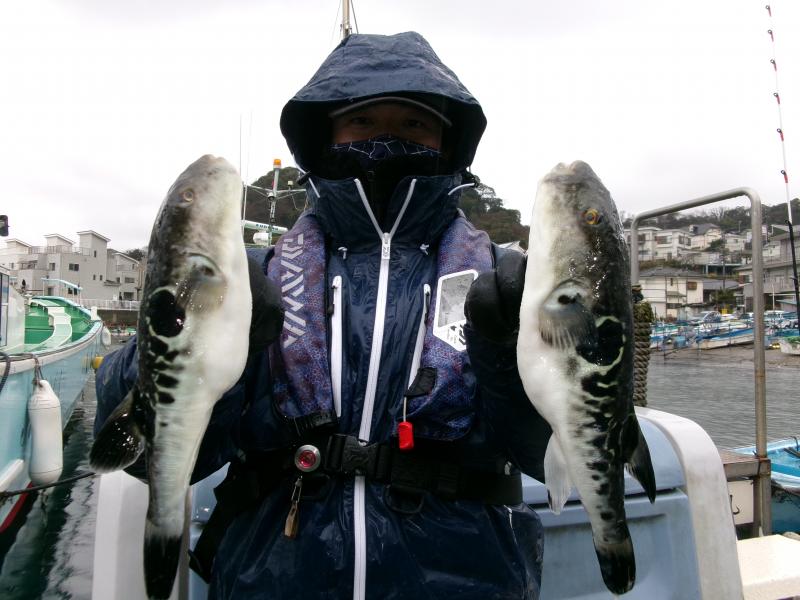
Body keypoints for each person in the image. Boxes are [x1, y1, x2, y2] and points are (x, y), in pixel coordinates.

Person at [95, 31, 550, 599]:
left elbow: (546, 455)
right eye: (362, 122)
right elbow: (152, 459)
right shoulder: (252, 276)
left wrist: (507, 357)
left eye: (413, 124)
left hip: (468, 578)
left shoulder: (503, 283)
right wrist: (185, 330)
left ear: (447, 139)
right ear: (325, 134)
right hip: (273, 576)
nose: (387, 139)